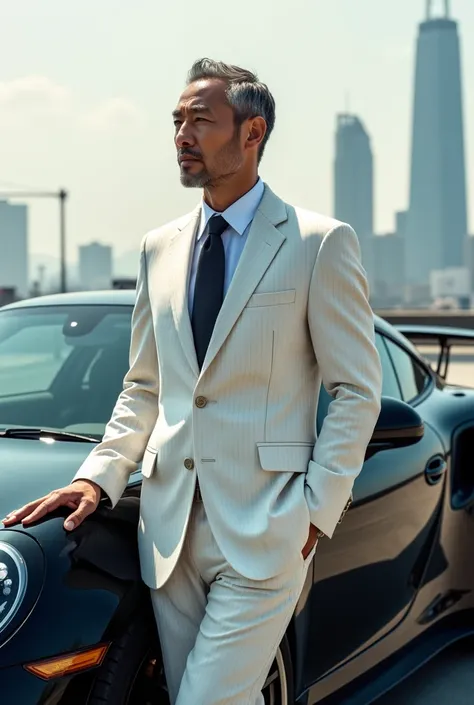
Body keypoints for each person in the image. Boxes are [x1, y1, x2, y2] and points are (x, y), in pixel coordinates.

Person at [3, 59, 382, 704]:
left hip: (268, 525)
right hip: (169, 531)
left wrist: (316, 510)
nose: (182, 133)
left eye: (200, 120)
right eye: (177, 119)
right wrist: (96, 477)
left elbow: (356, 391)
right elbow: (145, 385)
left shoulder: (319, 244)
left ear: (252, 131)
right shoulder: (160, 247)